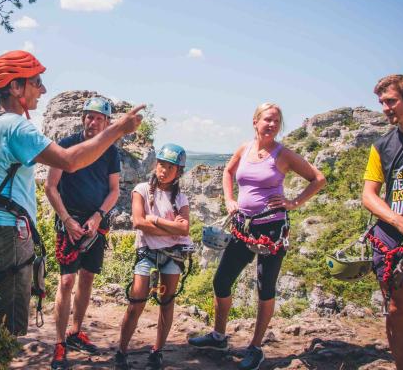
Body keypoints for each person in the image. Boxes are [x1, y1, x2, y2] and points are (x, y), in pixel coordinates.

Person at [0, 50, 144, 337]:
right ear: (15, 87)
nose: (43, 89)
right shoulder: (17, 127)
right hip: (8, 237)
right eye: (36, 81)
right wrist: (117, 130)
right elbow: (69, 161)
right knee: (6, 329)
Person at [189, 103, 325, 370]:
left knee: (265, 287)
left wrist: (294, 202)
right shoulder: (244, 149)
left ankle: (256, 347)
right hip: (242, 226)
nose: (271, 124)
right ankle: (219, 336)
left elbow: (317, 178)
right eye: (267, 119)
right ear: (255, 122)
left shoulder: (283, 154)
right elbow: (228, 172)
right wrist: (229, 199)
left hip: (271, 229)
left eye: (276, 121)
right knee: (222, 281)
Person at [45, 97, 121, 369]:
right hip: (69, 223)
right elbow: (50, 187)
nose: (92, 121)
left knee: (87, 277)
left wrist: (98, 216)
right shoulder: (66, 146)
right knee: (66, 282)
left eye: (98, 118)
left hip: (95, 225)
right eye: (88, 116)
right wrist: (66, 219)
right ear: (83, 119)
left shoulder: (111, 152)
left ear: (106, 122)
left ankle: (75, 331)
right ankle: (59, 343)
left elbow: (114, 190)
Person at [115, 143, 192, 370]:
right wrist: (171, 227)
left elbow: (185, 229)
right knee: (136, 302)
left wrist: (156, 221)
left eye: (170, 167)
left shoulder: (181, 198)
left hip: (172, 254)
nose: (164, 170)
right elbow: (138, 222)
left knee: (167, 304)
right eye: (161, 164)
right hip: (148, 253)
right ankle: (121, 350)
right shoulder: (140, 189)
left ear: (178, 171)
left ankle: (157, 351)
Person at [362, 75, 403, 370]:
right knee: (395, 310)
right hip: (394, 237)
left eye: (391, 101)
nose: (384, 108)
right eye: (381, 102)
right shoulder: (382, 146)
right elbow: (369, 195)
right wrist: (400, 221)